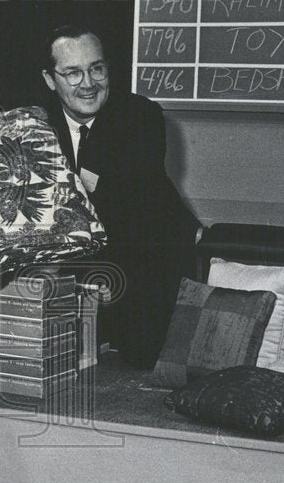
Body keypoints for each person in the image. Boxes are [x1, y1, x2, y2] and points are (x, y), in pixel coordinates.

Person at [41, 23, 198, 369]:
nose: (88, 83)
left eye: (97, 68)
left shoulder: (140, 117)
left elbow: (126, 208)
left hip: (148, 271)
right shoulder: (36, 126)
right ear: (51, 80)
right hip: (80, 274)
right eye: (73, 73)